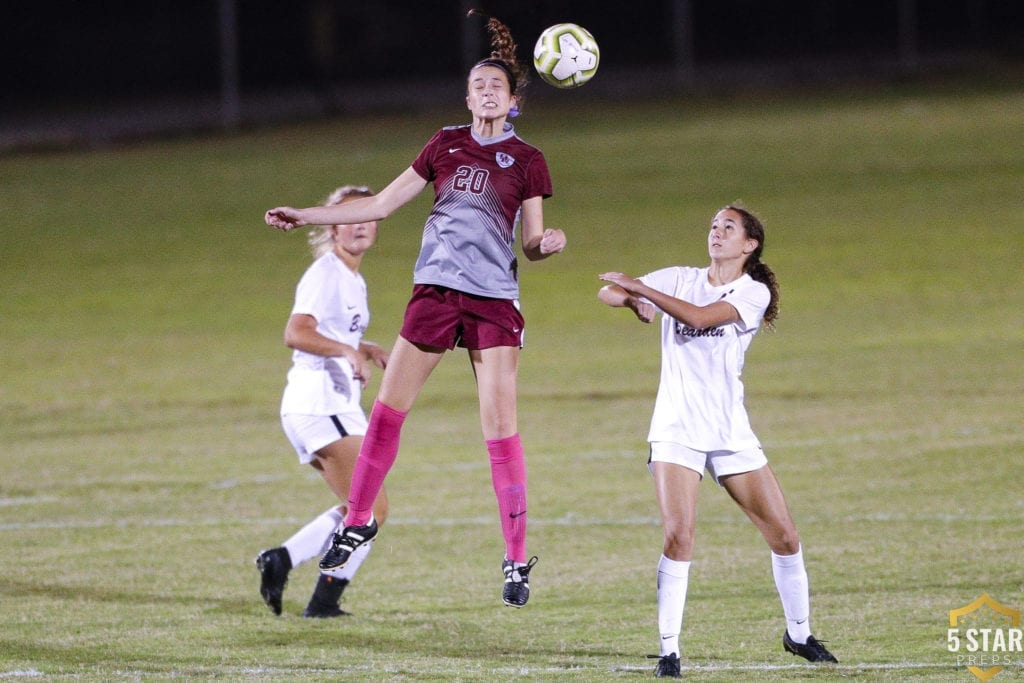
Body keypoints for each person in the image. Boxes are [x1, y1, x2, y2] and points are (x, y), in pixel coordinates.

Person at [264, 13, 566, 609]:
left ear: (511, 103)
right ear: (468, 96)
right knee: (386, 412)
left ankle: (513, 559)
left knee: (499, 428)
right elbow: (377, 203)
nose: (486, 92)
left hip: (492, 301)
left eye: (496, 87)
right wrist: (306, 215)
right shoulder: (443, 144)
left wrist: (546, 245)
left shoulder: (529, 159)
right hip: (434, 293)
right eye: (478, 84)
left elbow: (529, 244)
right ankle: (355, 523)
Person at [597, 205, 837, 677]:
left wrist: (644, 288)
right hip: (676, 429)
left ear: (749, 245)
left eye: (729, 227)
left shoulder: (752, 291)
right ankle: (669, 651)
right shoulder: (680, 277)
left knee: (784, 535)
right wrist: (630, 300)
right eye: (713, 225)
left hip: (728, 430)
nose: (717, 232)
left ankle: (800, 634)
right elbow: (608, 290)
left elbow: (703, 318)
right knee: (678, 535)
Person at [256, 185, 390, 618]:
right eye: (349, 218)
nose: (360, 225)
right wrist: (348, 353)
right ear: (331, 227)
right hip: (320, 405)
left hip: (333, 404)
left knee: (367, 510)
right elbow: (297, 332)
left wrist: (363, 347)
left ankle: (322, 600)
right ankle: (284, 561)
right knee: (368, 511)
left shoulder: (352, 276)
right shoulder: (326, 273)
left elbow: (334, 330)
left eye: (367, 215)